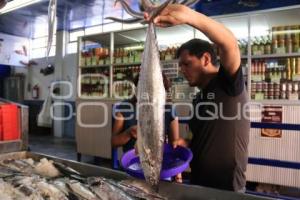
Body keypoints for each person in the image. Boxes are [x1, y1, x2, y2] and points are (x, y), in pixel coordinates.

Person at [146, 4, 250, 192]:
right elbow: (201, 136)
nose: (182, 70)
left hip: (227, 189)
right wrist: (185, 142)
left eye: (186, 64)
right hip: (200, 184)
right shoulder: (200, 98)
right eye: (180, 66)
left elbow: (229, 44)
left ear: (206, 59)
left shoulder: (227, 84)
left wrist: (188, 16)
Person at [111, 74, 183, 182]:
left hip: (160, 168)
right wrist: (129, 133)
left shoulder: (168, 110)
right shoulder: (125, 108)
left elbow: (174, 146)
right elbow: (114, 142)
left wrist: (178, 176)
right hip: (133, 167)